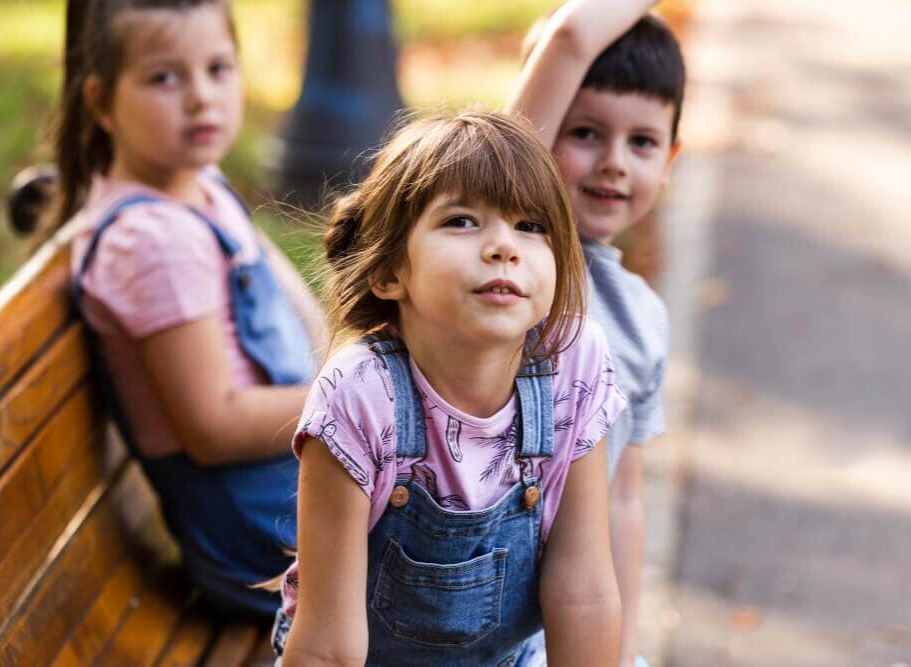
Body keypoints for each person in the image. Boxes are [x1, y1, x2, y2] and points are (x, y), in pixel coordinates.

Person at [269, 109, 627, 667]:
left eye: (531, 226)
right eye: (462, 221)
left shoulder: (572, 361)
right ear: (389, 273)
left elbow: (582, 586)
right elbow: (327, 647)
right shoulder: (360, 395)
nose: (503, 246)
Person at [52, 0, 328, 619]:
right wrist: (357, 398)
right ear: (100, 103)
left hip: (289, 499)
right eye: (164, 78)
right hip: (264, 542)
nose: (202, 97)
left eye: (218, 68)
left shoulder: (198, 186)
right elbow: (213, 428)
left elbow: (300, 313)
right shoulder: (152, 241)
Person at [506, 2, 686, 665]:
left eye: (641, 143)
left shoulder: (642, 316)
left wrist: (622, 648)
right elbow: (572, 36)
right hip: (471, 610)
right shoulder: (521, 251)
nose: (614, 163)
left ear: (669, 161)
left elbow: (623, 498)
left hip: (574, 622)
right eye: (584, 132)